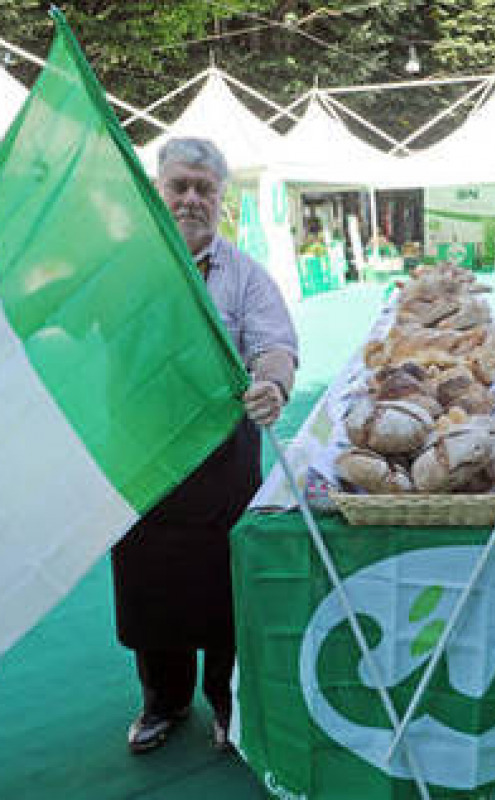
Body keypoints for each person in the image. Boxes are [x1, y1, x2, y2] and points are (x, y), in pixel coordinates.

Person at [111, 137, 298, 755]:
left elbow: (275, 345)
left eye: (204, 188)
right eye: (179, 185)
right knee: (147, 582)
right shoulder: (121, 268)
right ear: (158, 190)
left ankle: (226, 703)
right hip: (141, 456)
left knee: (225, 588)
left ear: (222, 198)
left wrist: (272, 383)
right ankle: (163, 702)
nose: (191, 199)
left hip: (222, 462)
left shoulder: (246, 274)